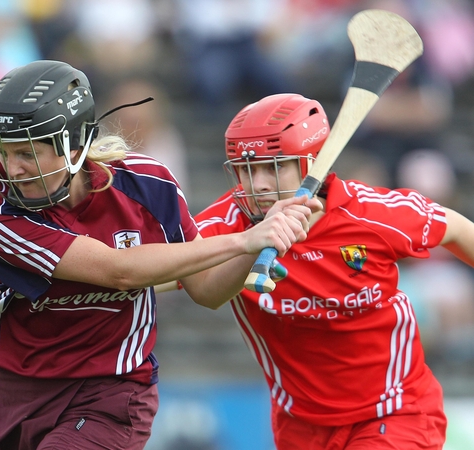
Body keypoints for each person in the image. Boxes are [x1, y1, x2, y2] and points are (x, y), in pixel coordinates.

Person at [0, 60, 319, 449]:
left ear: (73, 146)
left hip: (112, 390)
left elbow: (207, 291)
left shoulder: (148, 185)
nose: (11, 169)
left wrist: (260, 240)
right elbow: (120, 272)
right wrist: (245, 239)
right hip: (21, 390)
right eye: (4, 152)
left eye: (26, 154)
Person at [191, 93, 474, 449]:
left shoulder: (371, 213)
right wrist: (246, 245)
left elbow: (458, 229)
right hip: (300, 425)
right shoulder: (223, 225)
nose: (258, 184)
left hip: (395, 411)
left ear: (312, 164)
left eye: (274, 166)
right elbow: (186, 285)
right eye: (247, 169)